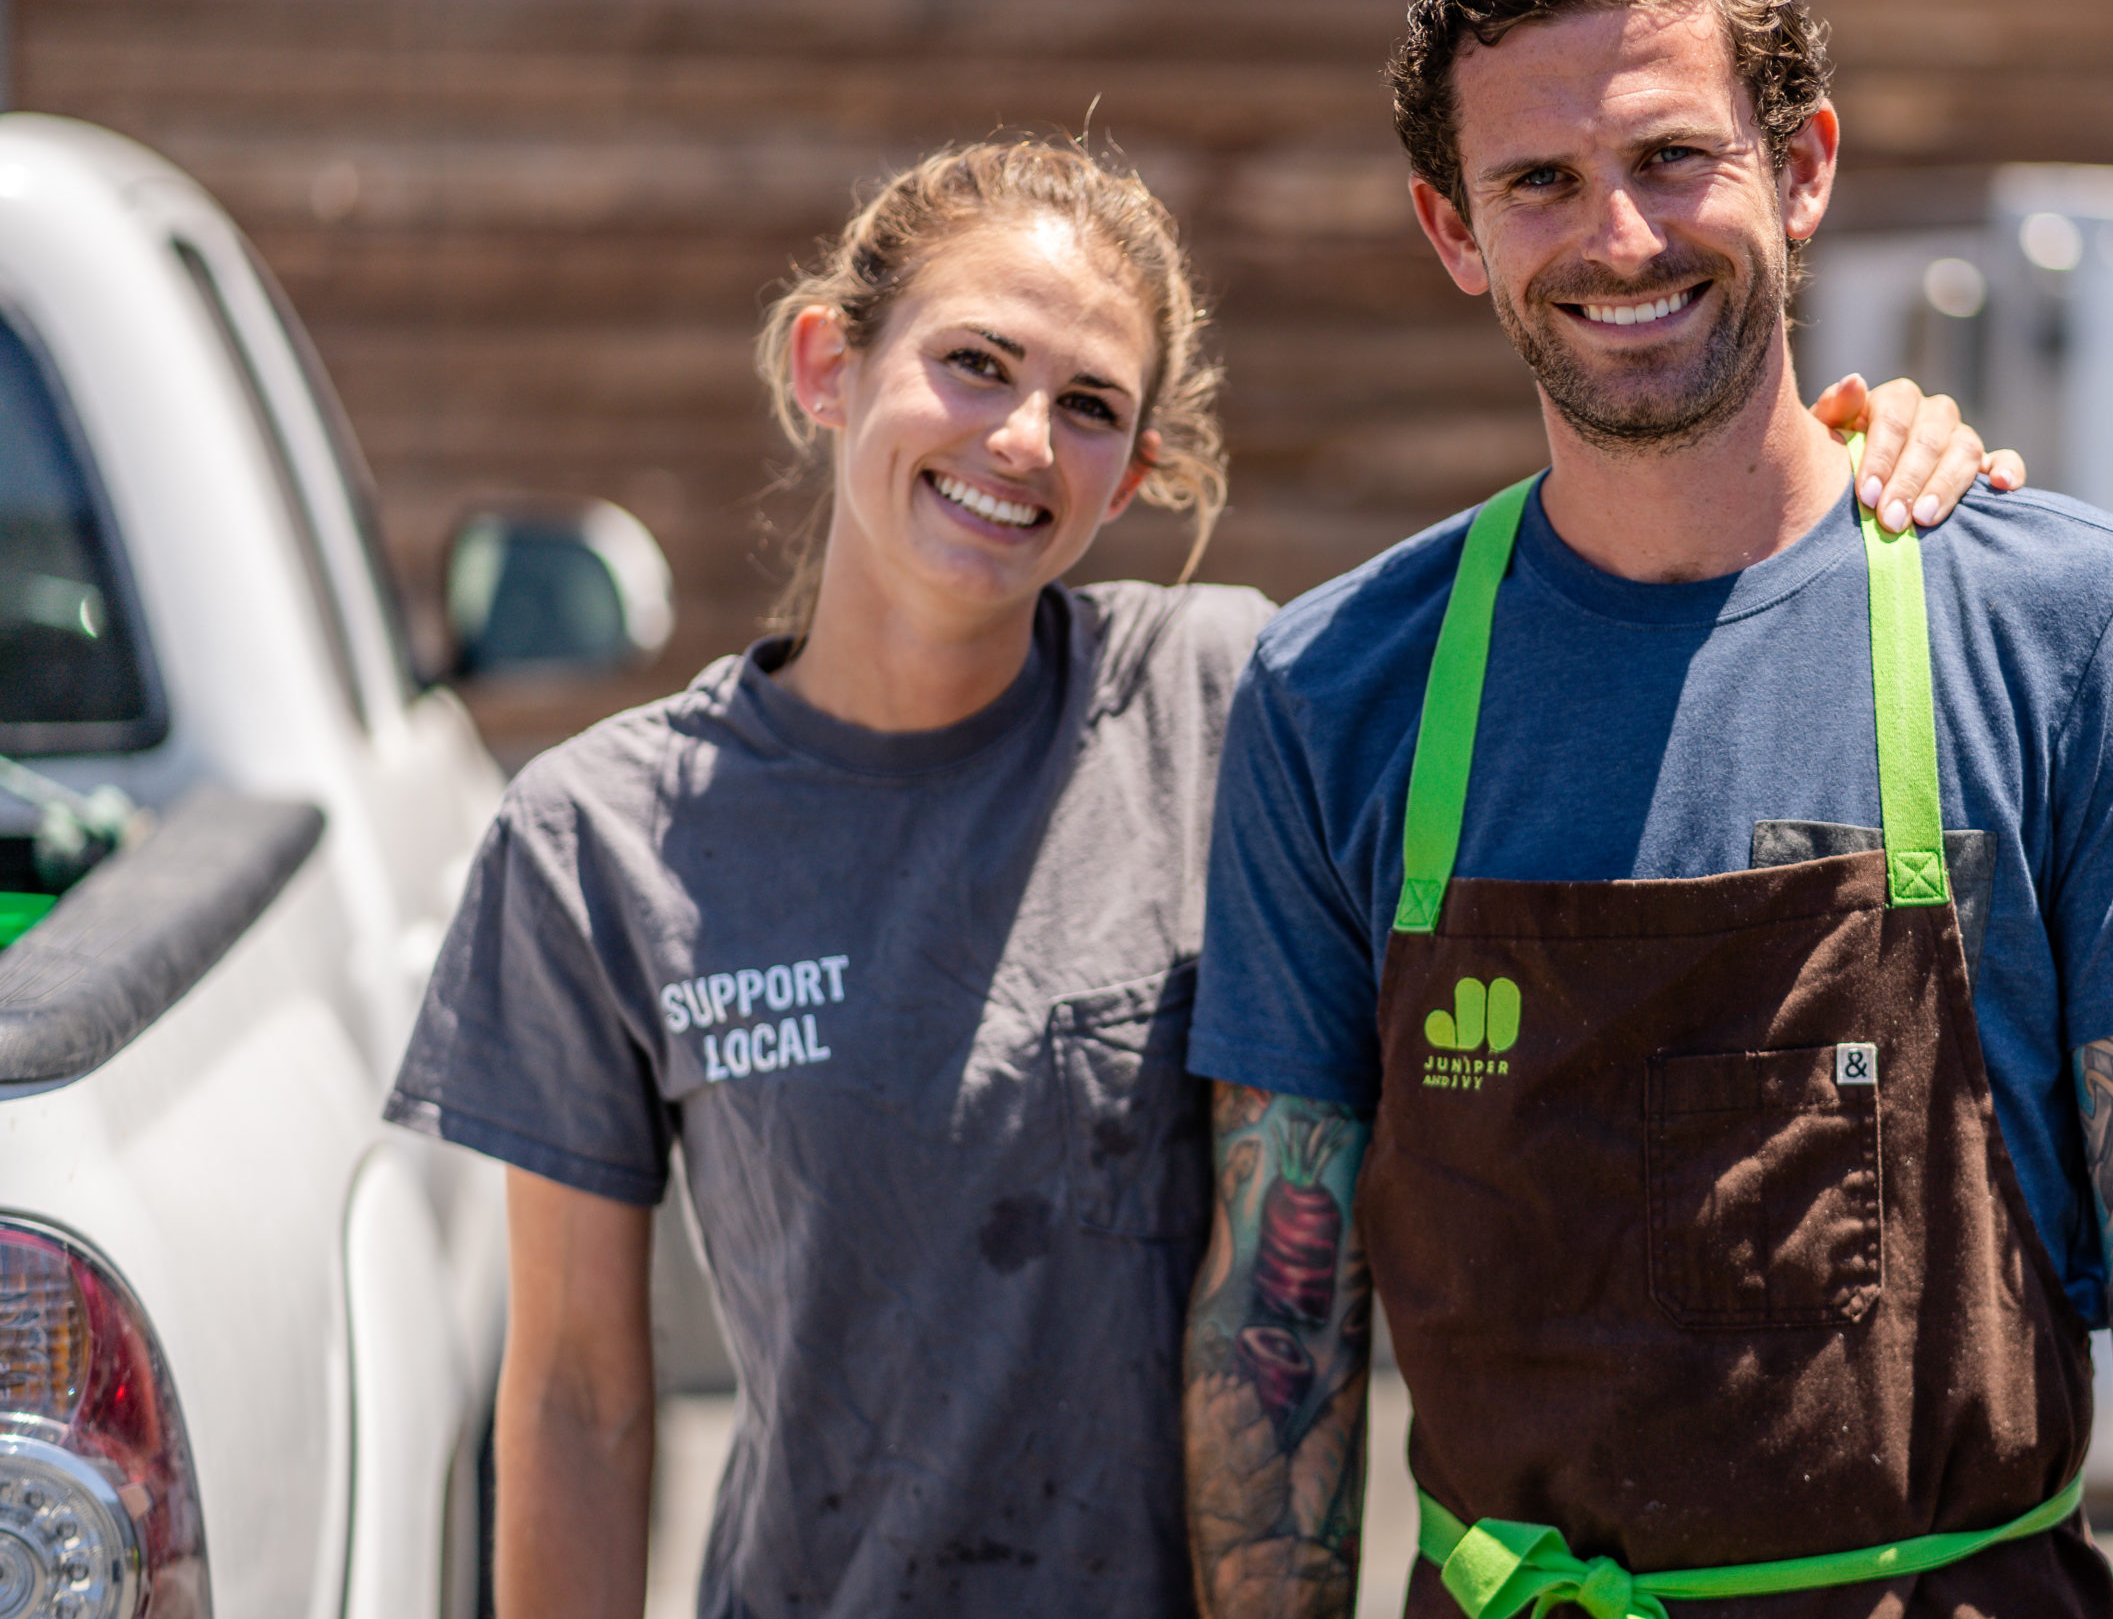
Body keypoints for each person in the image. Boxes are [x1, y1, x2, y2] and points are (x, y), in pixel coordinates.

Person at [383, 136, 2007, 1616]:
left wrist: (1829, 460)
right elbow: (581, 1396)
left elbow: (1602, 609)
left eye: (1088, 405)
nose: (1020, 439)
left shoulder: (1238, 700)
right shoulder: (602, 836)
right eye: (972, 365)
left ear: (1140, 467)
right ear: (828, 365)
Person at [1183, 0, 2113, 1619]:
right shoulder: (1339, 688)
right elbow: (1276, 1304)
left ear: (1804, 167)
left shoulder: (2070, 628)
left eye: (1673, 157)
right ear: (1452, 229)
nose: (1619, 237)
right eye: (1539, 180)